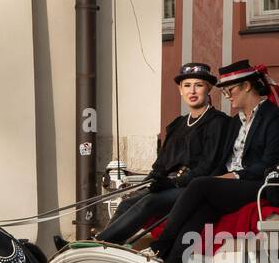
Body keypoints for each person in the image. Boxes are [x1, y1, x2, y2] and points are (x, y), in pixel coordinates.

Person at [152, 59, 279, 263]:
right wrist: (217, 176)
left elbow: (270, 163)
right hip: (232, 185)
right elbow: (224, 160)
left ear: (247, 86)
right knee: (201, 210)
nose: (227, 95)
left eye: (231, 90)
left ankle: (160, 246)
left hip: (259, 184)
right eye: (225, 91)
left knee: (200, 185)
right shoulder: (236, 122)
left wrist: (235, 175)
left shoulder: (274, 117)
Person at [97, 63, 226, 246]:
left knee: (150, 201)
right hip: (169, 186)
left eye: (199, 85)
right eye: (187, 85)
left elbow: (209, 165)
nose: (192, 91)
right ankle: (104, 246)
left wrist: (173, 182)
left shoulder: (217, 122)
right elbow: (162, 163)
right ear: (180, 90)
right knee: (127, 202)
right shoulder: (177, 125)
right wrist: (151, 180)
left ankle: (101, 243)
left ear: (209, 88)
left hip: (193, 187)